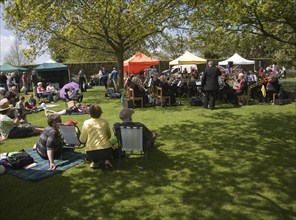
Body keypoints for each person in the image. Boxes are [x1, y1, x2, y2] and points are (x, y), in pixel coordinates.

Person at [79, 104, 114, 169]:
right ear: (100, 113)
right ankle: (106, 160)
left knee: (93, 154)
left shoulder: (86, 123)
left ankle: (94, 162)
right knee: (110, 147)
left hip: (91, 152)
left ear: (89, 113)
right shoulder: (104, 122)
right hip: (106, 151)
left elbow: (82, 140)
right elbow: (109, 136)